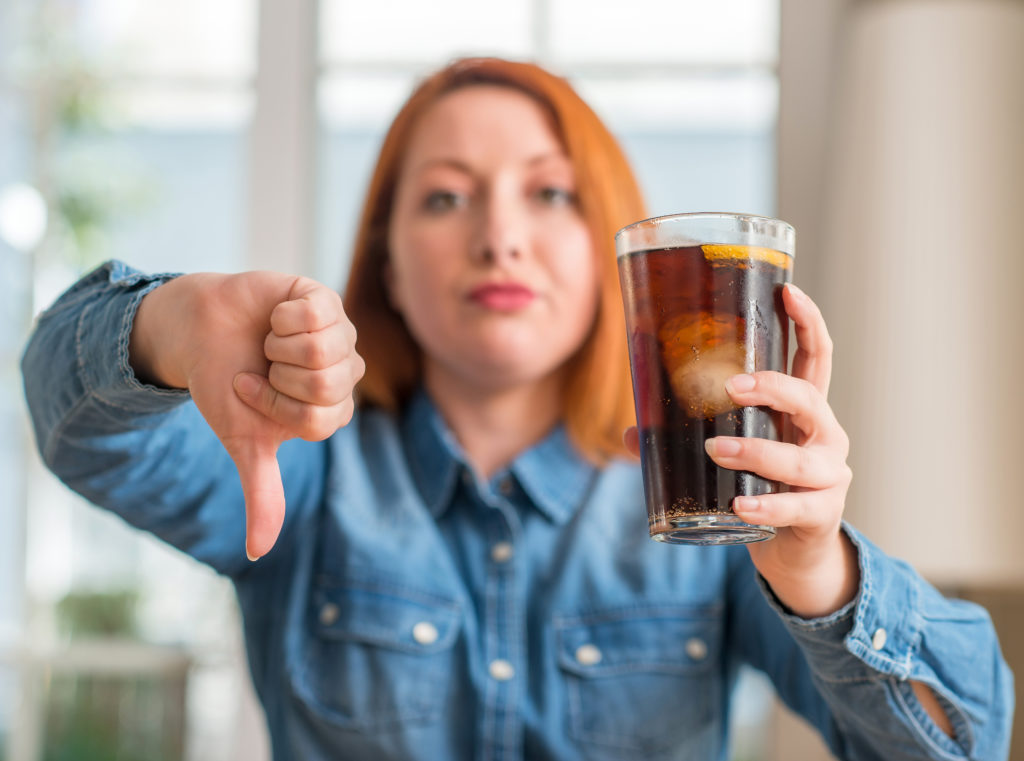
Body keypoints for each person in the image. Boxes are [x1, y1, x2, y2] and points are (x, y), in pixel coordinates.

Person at [21, 57, 1012, 761]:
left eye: (549, 195)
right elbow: (71, 428)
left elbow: (965, 739)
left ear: (608, 257)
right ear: (389, 266)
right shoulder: (300, 463)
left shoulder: (707, 507)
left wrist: (820, 568)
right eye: (446, 198)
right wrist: (160, 323)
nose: (500, 235)